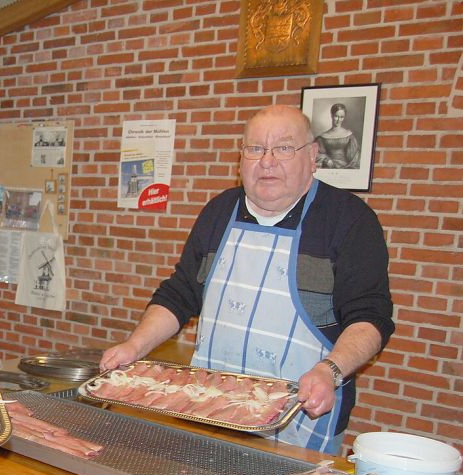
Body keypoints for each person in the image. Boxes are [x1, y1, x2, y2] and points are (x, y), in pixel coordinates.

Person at [100, 105, 393, 455]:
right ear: (241, 158)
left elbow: (370, 317)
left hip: (299, 416)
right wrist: (135, 346)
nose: (267, 161)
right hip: (209, 408)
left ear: (312, 156)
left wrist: (330, 371)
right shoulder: (218, 212)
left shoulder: (349, 221)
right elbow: (181, 294)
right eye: (255, 148)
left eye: (284, 148)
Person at [314, 103, 360, 169]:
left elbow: (355, 158)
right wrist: (327, 160)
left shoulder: (349, 136)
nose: (338, 120)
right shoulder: (322, 137)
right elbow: (315, 153)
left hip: (346, 169)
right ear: (331, 115)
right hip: (328, 168)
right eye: (336, 116)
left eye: (341, 117)